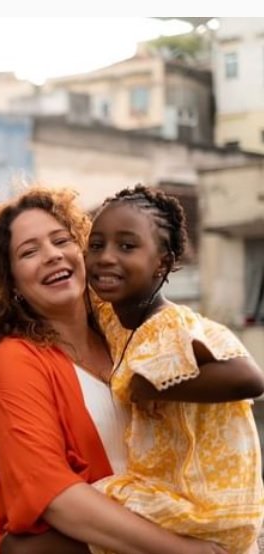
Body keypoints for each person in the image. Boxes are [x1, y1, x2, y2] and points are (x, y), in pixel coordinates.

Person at [0, 187, 251, 554]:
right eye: (29, 252)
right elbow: (52, 494)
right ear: (11, 283)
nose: (51, 256)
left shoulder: (127, 334)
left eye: (61, 240)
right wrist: (184, 551)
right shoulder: (15, 358)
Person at [85, 184, 264, 554]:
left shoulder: (171, 326)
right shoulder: (118, 317)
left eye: (127, 246)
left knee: (65, 509)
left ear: (162, 263)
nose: (106, 257)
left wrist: (152, 386)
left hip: (205, 508)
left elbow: (250, 378)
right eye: (96, 245)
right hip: (171, 496)